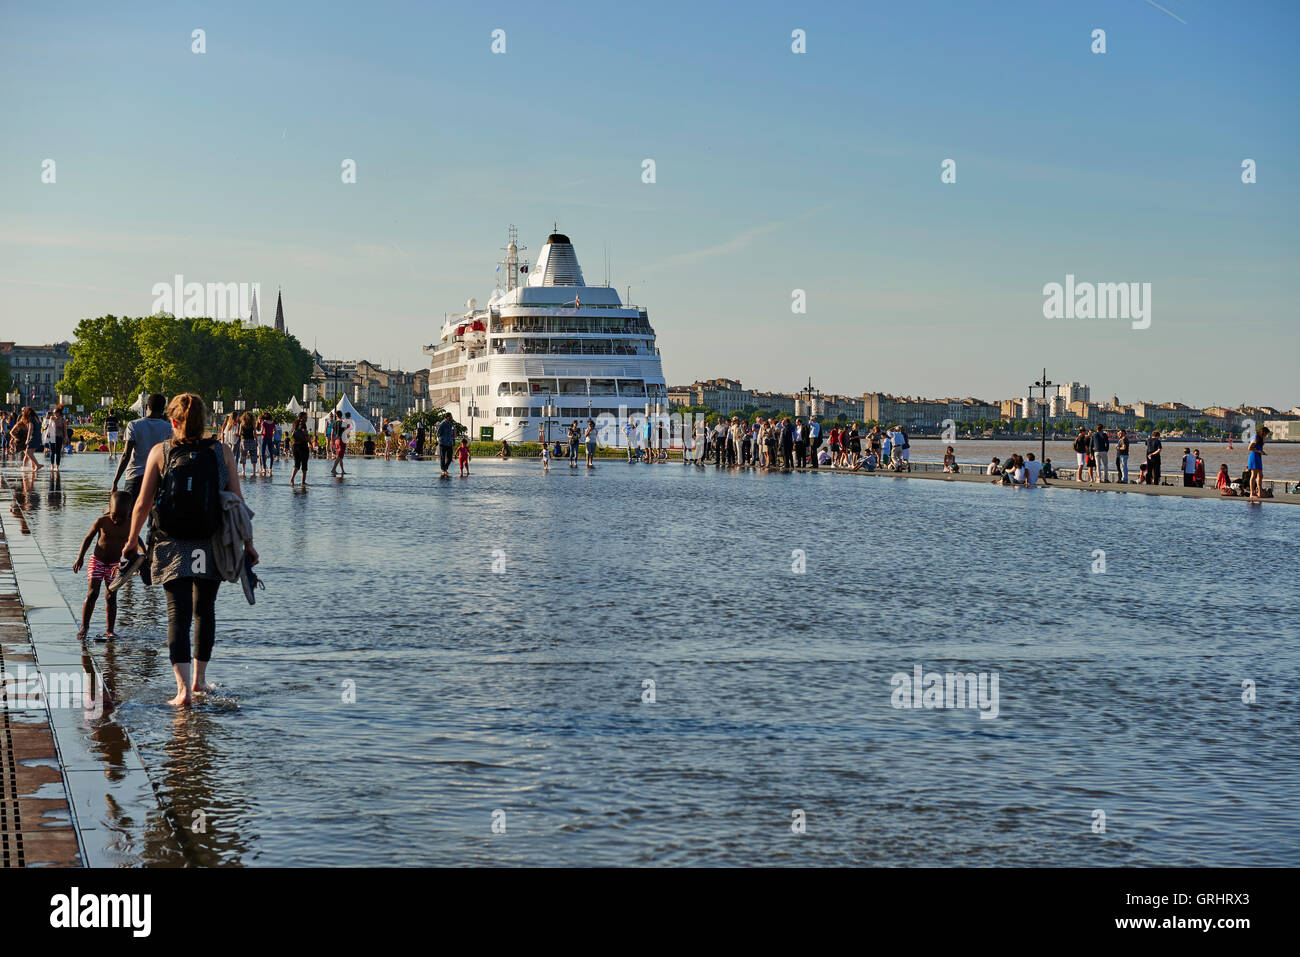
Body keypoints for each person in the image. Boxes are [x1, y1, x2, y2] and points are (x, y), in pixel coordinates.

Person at [120, 394, 257, 707]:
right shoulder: (221, 451)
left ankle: (181, 692)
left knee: (177, 615)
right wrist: (248, 545)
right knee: (204, 611)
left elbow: (142, 503)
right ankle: (200, 681)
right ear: (204, 421)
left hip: (171, 544)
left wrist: (131, 540)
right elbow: (237, 500)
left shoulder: (161, 452)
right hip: (211, 541)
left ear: (174, 422)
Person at [72, 491, 134, 639]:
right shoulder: (102, 521)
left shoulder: (130, 524)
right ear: (109, 509)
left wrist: (144, 556)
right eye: (114, 515)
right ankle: (84, 627)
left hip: (114, 565)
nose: (117, 519)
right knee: (93, 593)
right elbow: (88, 539)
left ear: (129, 512)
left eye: (122, 516)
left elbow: (137, 541)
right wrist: (80, 557)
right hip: (98, 561)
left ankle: (110, 630)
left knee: (111, 596)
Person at [112, 393, 170, 509]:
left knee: (128, 517)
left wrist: (115, 482)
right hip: (157, 479)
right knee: (156, 520)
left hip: (135, 477)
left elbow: (126, 455)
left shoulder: (133, 425)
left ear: (146, 407)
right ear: (163, 409)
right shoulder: (168, 428)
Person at [10, 408, 42, 472]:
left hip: (32, 437)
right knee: (29, 454)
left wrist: (27, 439)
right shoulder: (37, 418)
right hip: (37, 437)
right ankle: (33, 466)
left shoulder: (31, 419)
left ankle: (37, 465)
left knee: (28, 453)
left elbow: (30, 429)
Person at [290, 411, 311, 487]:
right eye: (305, 417)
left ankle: (292, 479)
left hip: (295, 446)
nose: (306, 419)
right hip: (303, 446)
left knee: (296, 464)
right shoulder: (303, 425)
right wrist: (310, 443)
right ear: (301, 418)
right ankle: (303, 482)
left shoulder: (295, 425)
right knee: (304, 465)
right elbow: (306, 434)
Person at [1246, 427, 1268, 499]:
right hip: (1254, 457)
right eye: (1266, 434)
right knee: (1254, 475)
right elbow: (1249, 448)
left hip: (1258, 457)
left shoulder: (1261, 438)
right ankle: (1251, 493)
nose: (1266, 436)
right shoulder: (1256, 437)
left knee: (1260, 475)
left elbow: (1260, 446)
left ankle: (1260, 493)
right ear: (1263, 433)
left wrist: (1264, 440)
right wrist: (1259, 452)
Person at [436, 411, 456, 477]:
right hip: (443, 443)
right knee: (442, 457)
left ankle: (445, 468)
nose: (451, 418)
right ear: (447, 417)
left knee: (450, 458)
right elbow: (438, 433)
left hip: (450, 443)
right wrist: (441, 438)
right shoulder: (442, 424)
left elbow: (453, 432)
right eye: (450, 417)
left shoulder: (451, 424)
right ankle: (443, 470)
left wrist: (453, 438)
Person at [238, 411, 257, 477]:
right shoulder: (253, 424)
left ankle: (243, 471)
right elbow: (255, 433)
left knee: (243, 455)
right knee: (253, 455)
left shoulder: (242, 424)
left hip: (244, 441)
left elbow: (240, 434)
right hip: (252, 440)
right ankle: (254, 471)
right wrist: (256, 441)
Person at [259, 411, 277, 476]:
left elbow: (261, 432)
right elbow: (276, 431)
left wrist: (256, 433)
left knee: (262, 454)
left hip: (264, 438)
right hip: (270, 439)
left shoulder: (263, 423)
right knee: (271, 454)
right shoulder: (273, 423)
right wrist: (272, 434)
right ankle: (270, 468)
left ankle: (264, 469)